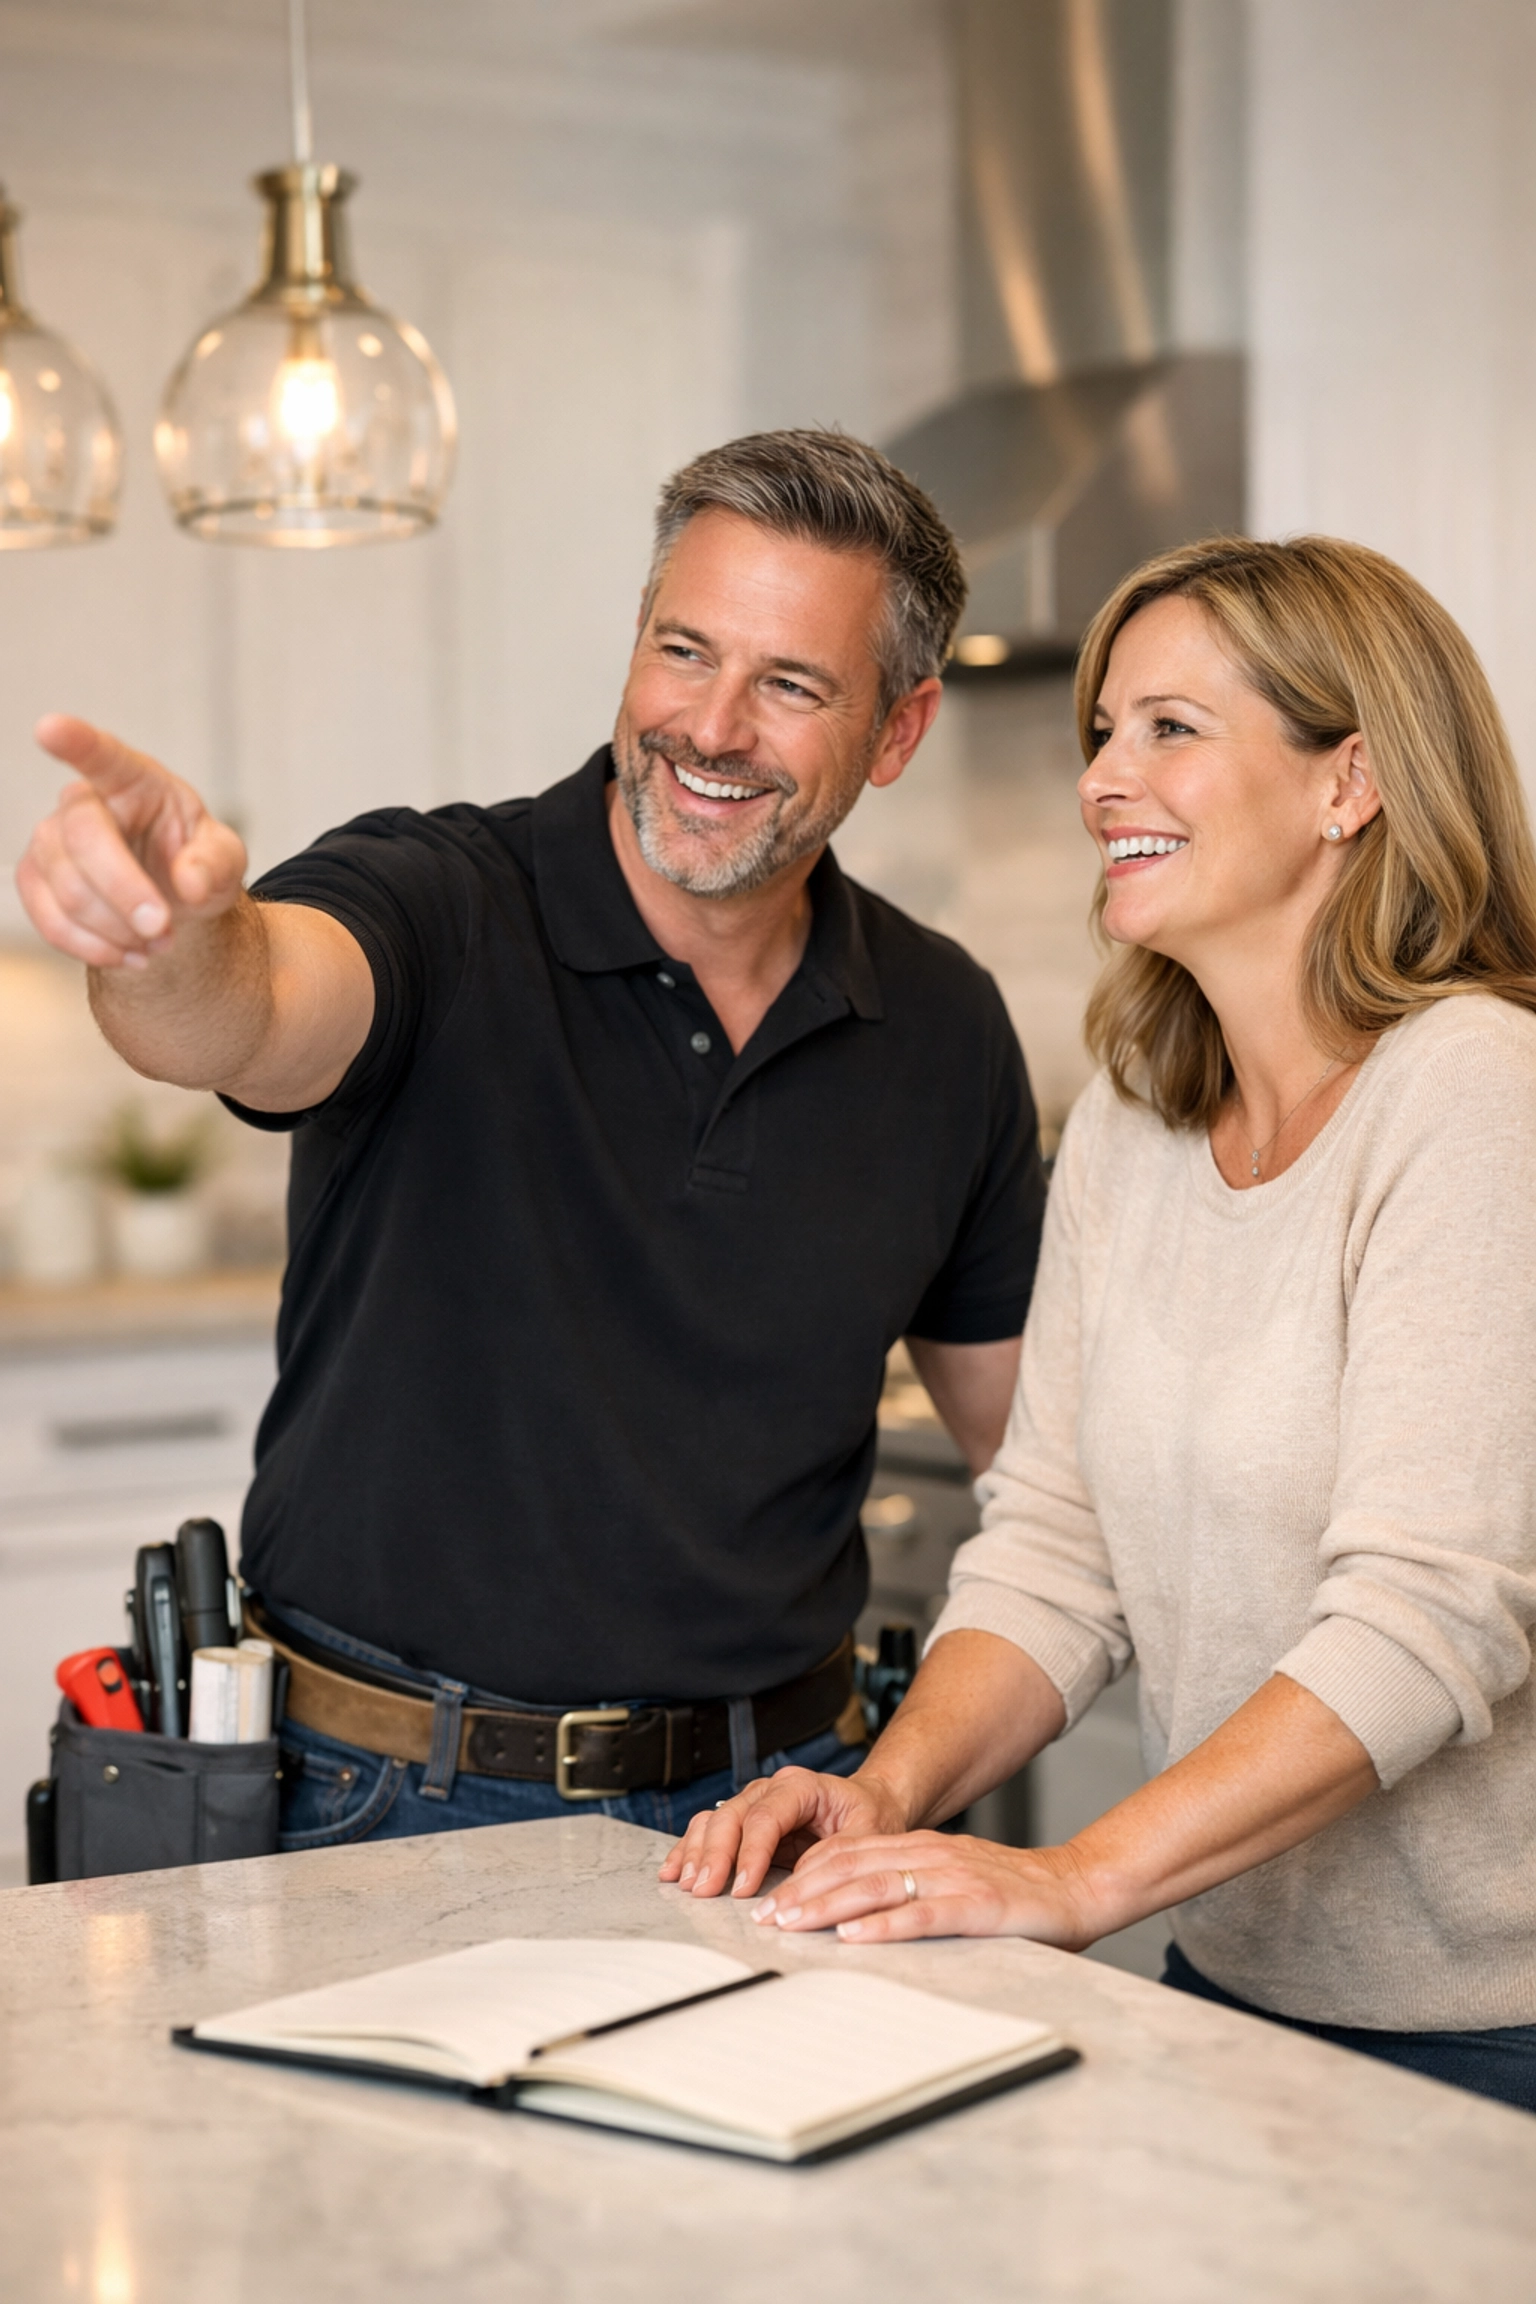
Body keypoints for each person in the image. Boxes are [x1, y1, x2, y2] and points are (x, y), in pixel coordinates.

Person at [16, 429, 1046, 1848]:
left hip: (784, 1808)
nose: (713, 724)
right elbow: (241, 1011)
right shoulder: (440, 902)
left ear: (900, 727)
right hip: (385, 1798)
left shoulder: (944, 1023)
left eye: (791, 683)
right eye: (684, 652)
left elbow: (1032, 1461)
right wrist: (168, 942)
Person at [665, 533, 1536, 2114]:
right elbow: (1059, 1546)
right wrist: (885, 1792)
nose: (1101, 780)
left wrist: (1069, 1883)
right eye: (1102, 732)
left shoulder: (1476, 1093)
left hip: (1492, 2035)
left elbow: (1432, 1617)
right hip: (1236, 1988)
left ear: (1352, 782)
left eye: (1170, 730)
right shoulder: (1141, 1121)